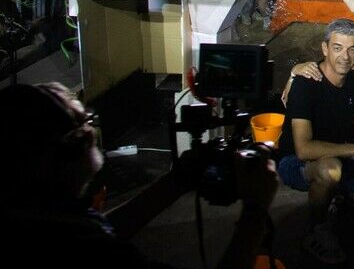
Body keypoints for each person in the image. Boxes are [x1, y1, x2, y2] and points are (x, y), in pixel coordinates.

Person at [0, 82, 279, 269]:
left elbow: (107, 228)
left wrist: (175, 181)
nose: (91, 130)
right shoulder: (85, 247)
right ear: (59, 154)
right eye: (84, 123)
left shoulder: (47, 215)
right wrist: (255, 212)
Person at [277, 19, 354, 263]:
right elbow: (303, 149)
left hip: (342, 157)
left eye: (352, 49)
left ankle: (339, 206)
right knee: (330, 169)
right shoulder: (306, 83)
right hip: (297, 163)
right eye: (338, 47)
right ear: (325, 48)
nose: (345, 56)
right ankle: (316, 230)